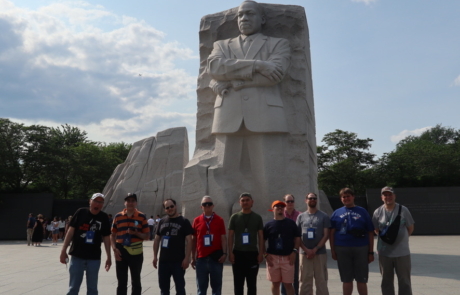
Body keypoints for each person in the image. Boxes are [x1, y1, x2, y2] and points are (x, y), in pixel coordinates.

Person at [206, 0, 292, 213]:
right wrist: (258, 65)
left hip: (266, 114)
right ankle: (224, 216)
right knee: (224, 171)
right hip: (227, 113)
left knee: (267, 172)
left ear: (262, 19)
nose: (244, 18)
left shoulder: (278, 43)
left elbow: (276, 75)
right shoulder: (222, 46)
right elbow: (215, 68)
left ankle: (271, 216)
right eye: (240, 15)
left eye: (250, 14)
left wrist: (236, 81)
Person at [60, 193, 112, 295]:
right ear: (90, 201)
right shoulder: (81, 212)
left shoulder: (103, 217)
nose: (97, 204)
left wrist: (109, 257)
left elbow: (106, 237)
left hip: (94, 257)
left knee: (92, 289)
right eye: (95, 201)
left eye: (100, 202)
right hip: (77, 255)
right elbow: (70, 231)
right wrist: (63, 250)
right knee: (73, 288)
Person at [329, 188, 374, 295]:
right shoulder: (336, 213)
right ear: (341, 199)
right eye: (344, 197)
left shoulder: (362, 211)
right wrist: (332, 250)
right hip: (342, 248)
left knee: (362, 279)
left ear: (353, 197)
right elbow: (331, 233)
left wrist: (370, 252)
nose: (346, 198)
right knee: (346, 279)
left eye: (348, 196)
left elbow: (370, 232)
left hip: (361, 247)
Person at [372, 187, 415, 295]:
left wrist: (401, 239)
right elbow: (376, 229)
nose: (388, 197)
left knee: (404, 281)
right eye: (385, 195)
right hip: (384, 252)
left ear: (394, 196)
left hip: (402, 252)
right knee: (386, 280)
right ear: (381, 197)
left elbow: (410, 228)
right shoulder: (378, 211)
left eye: (390, 194)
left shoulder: (403, 210)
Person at [111, 193, 149, 295]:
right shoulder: (118, 216)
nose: (130, 203)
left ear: (136, 203)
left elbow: (147, 236)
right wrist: (114, 249)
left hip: (136, 251)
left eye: (133, 201)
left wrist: (136, 233)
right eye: (128, 201)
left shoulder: (141, 216)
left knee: (136, 280)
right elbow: (113, 235)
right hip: (120, 250)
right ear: (125, 203)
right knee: (121, 281)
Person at [153, 199, 193, 295]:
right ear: (165, 210)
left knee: (180, 288)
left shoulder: (184, 221)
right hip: (163, 261)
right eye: (167, 207)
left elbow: (189, 240)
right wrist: (155, 256)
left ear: (175, 206)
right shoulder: (162, 221)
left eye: (171, 206)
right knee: (163, 289)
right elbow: (157, 239)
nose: (170, 209)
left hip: (178, 261)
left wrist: (187, 258)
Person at [228, 192, 264, 295]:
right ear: (239, 203)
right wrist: (230, 252)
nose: (245, 202)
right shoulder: (234, 217)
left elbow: (261, 236)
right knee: (238, 284)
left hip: (252, 254)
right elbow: (230, 236)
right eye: (243, 200)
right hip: (238, 253)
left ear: (252, 202)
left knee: (252, 284)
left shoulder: (257, 217)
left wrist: (261, 253)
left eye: (247, 200)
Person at [191, 196, 227, 295]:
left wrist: (224, 254)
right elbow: (194, 240)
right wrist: (193, 257)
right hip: (201, 259)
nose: (207, 206)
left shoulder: (219, 220)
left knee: (216, 289)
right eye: (204, 204)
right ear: (201, 207)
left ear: (213, 206)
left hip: (216, 259)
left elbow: (223, 238)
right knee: (201, 290)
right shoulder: (196, 220)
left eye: (209, 204)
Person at [263, 200, 300, 295]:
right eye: (277, 206)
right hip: (273, 258)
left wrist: (294, 251)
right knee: (275, 283)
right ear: (272, 209)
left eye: (282, 206)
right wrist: (265, 255)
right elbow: (262, 241)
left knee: (288, 284)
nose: (280, 208)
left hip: (288, 257)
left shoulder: (291, 223)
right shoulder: (268, 225)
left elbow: (297, 238)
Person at [297, 193, 330, 295]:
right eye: (310, 198)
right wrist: (306, 250)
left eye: (314, 198)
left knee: (321, 280)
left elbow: (326, 235)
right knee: (305, 280)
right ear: (306, 200)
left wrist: (315, 249)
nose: (312, 200)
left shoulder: (323, 216)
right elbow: (297, 236)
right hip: (304, 253)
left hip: (320, 253)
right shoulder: (301, 217)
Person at [282, 194, 300, 295]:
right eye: (288, 201)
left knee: (296, 276)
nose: (290, 203)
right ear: (284, 203)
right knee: (284, 277)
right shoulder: (280, 214)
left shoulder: (299, 215)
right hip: (283, 250)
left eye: (291, 201)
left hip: (296, 249)